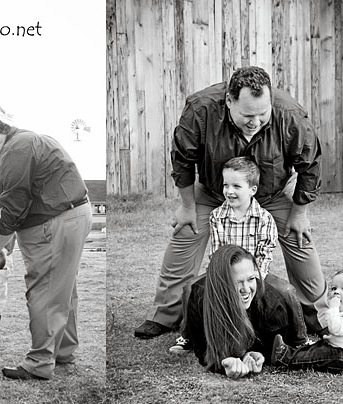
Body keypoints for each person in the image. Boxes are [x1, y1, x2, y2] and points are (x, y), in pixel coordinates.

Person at [135, 65, 325, 340]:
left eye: (263, 114)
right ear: (228, 102)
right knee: (185, 234)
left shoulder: (290, 115)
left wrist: (299, 213)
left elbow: (310, 165)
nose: (256, 122)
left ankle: (318, 315)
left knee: (300, 239)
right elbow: (183, 160)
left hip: (270, 194)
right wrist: (188, 207)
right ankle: (165, 315)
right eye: (248, 115)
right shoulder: (201, 109)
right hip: (215, 192)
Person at [0, 118, 92, 381]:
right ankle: (63, 350)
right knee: (63, 288)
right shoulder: (32, 140)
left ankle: (39, 361)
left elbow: (15, 205)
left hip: (56, 221)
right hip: (72, 215)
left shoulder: (15, 149)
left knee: (44, 290)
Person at [168, 156, 285, 354]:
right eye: (226, 185)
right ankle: (188, 336)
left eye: (236, 186)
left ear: (252, 190)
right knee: (190, 288)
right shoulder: (217, 216)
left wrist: (255, 279)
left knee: (287, 292)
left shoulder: (264, 218)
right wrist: (223, 279)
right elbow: (217, 252)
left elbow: (265, 254)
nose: (229, 191)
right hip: (223, 274)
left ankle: (298, 338)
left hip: (254, 276)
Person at [184, 244, 308, 379]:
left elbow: (277, 348)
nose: (246, 289)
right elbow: (202, 350)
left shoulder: (273, 307)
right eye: (237, 282)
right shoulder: (199, 298)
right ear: (220, 284)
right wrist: (223, 364)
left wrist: (260, 356)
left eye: (251, 279)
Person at [271, 269, 343, 374]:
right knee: (316, 349)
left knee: (317, 355)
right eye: (334, 288)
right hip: (340, 349)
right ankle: (291, 351)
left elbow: (335, 329)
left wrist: (333, 309)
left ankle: (285, 358)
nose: (337, 292)